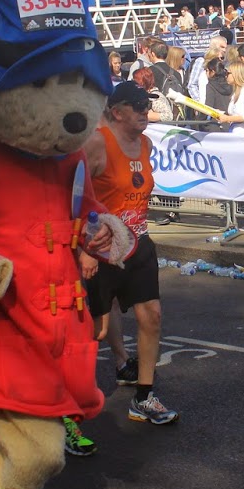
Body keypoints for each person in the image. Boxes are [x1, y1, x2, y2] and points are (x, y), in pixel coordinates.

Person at [83, 82, 179, 426]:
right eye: (137, 106)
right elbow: (76, 199)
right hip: (101, 250)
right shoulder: (96, 144)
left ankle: (144, 396)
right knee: (93, 331)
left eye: (146, 105)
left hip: (138, 244)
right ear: (117, 111)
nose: (144, 111)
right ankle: (65, 403)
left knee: (151, 316)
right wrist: (87, 249)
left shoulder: (146, 144)